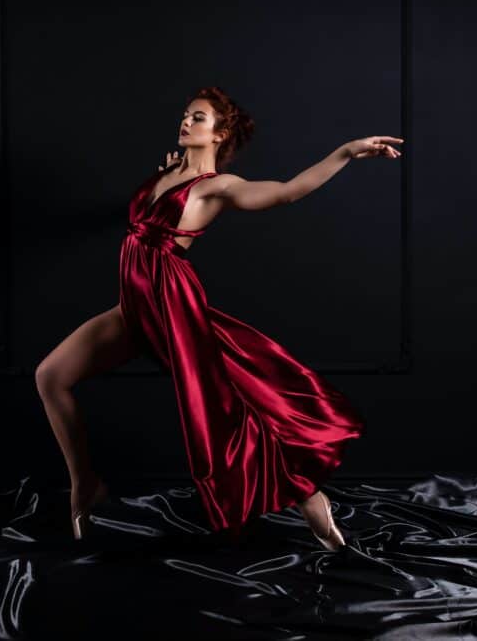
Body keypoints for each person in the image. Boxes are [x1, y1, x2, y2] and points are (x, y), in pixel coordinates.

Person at [35, 85, 403, 545]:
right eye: (187, 115)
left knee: (234, 409)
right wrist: (168, 174)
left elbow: (287, 193)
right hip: (135, 309)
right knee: (50, 376)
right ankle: (85, 483)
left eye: (199, 118)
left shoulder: (217, 188)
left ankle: (311, 499)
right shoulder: (166, 174)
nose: (186, 122)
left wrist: (345, 152)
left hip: (172, 310)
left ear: (220, 133)